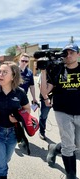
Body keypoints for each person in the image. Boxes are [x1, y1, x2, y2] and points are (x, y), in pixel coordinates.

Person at [40, 43, 80, 179]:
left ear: (78, 54)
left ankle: (55, 148)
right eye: (66, 53)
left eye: (72, 52)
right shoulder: (57, 70)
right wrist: (44, 71)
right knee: (69, 146)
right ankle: (71, 176)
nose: (68, 56)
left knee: (77, 144)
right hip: (62, 111)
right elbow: (45, 91)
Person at [37, 73, 52, 140]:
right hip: (46, 98)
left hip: (58, 97)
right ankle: (42, 132)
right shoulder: (44, 72)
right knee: (43, 116)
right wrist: (45, 97)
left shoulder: (61, 70)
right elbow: (39, 85)